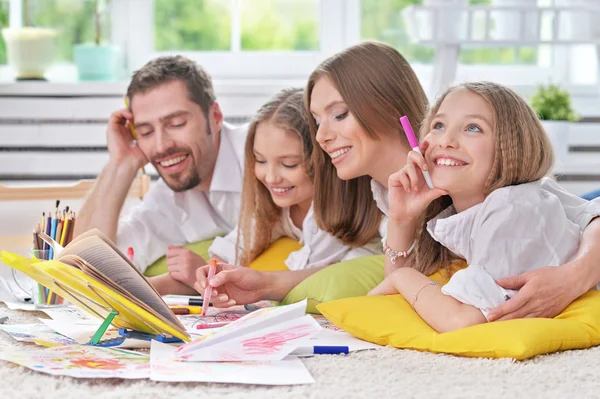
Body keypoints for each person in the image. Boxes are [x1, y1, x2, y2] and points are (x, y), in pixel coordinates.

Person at [196, 41, 600, 319]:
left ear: (388, 108)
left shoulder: (478, 181)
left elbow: (573, 208)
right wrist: (265, 284)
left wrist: (578, 272)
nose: (320, 136)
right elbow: (374, 274)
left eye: (339, 115)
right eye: (316, 120)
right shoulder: (371, 192)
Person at [367, 82, 600, 333]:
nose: (446, 140)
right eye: (439, 125)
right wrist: (401, 221)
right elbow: (397, 300)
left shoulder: (512, 208)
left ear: (511, 147)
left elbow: (464, 321)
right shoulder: (507, 202)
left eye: (473, 128)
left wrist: (403, 278)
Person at [166, 88, 380, 295]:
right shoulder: (278, 208)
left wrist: (252, 282)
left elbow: (311, 275)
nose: (270, 177)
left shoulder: (335, 214)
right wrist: (206, 271)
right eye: (260, 160)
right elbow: (235, 249)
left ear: (325, 161)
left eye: (288, 164)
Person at [73, 55, 248, 295]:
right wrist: (121, 164)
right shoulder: (170, 198)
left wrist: (166, 284)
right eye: (145, 132)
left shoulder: (264, 154)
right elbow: (85, 264)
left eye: (176, 124)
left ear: (215, 117)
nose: (161, 146)